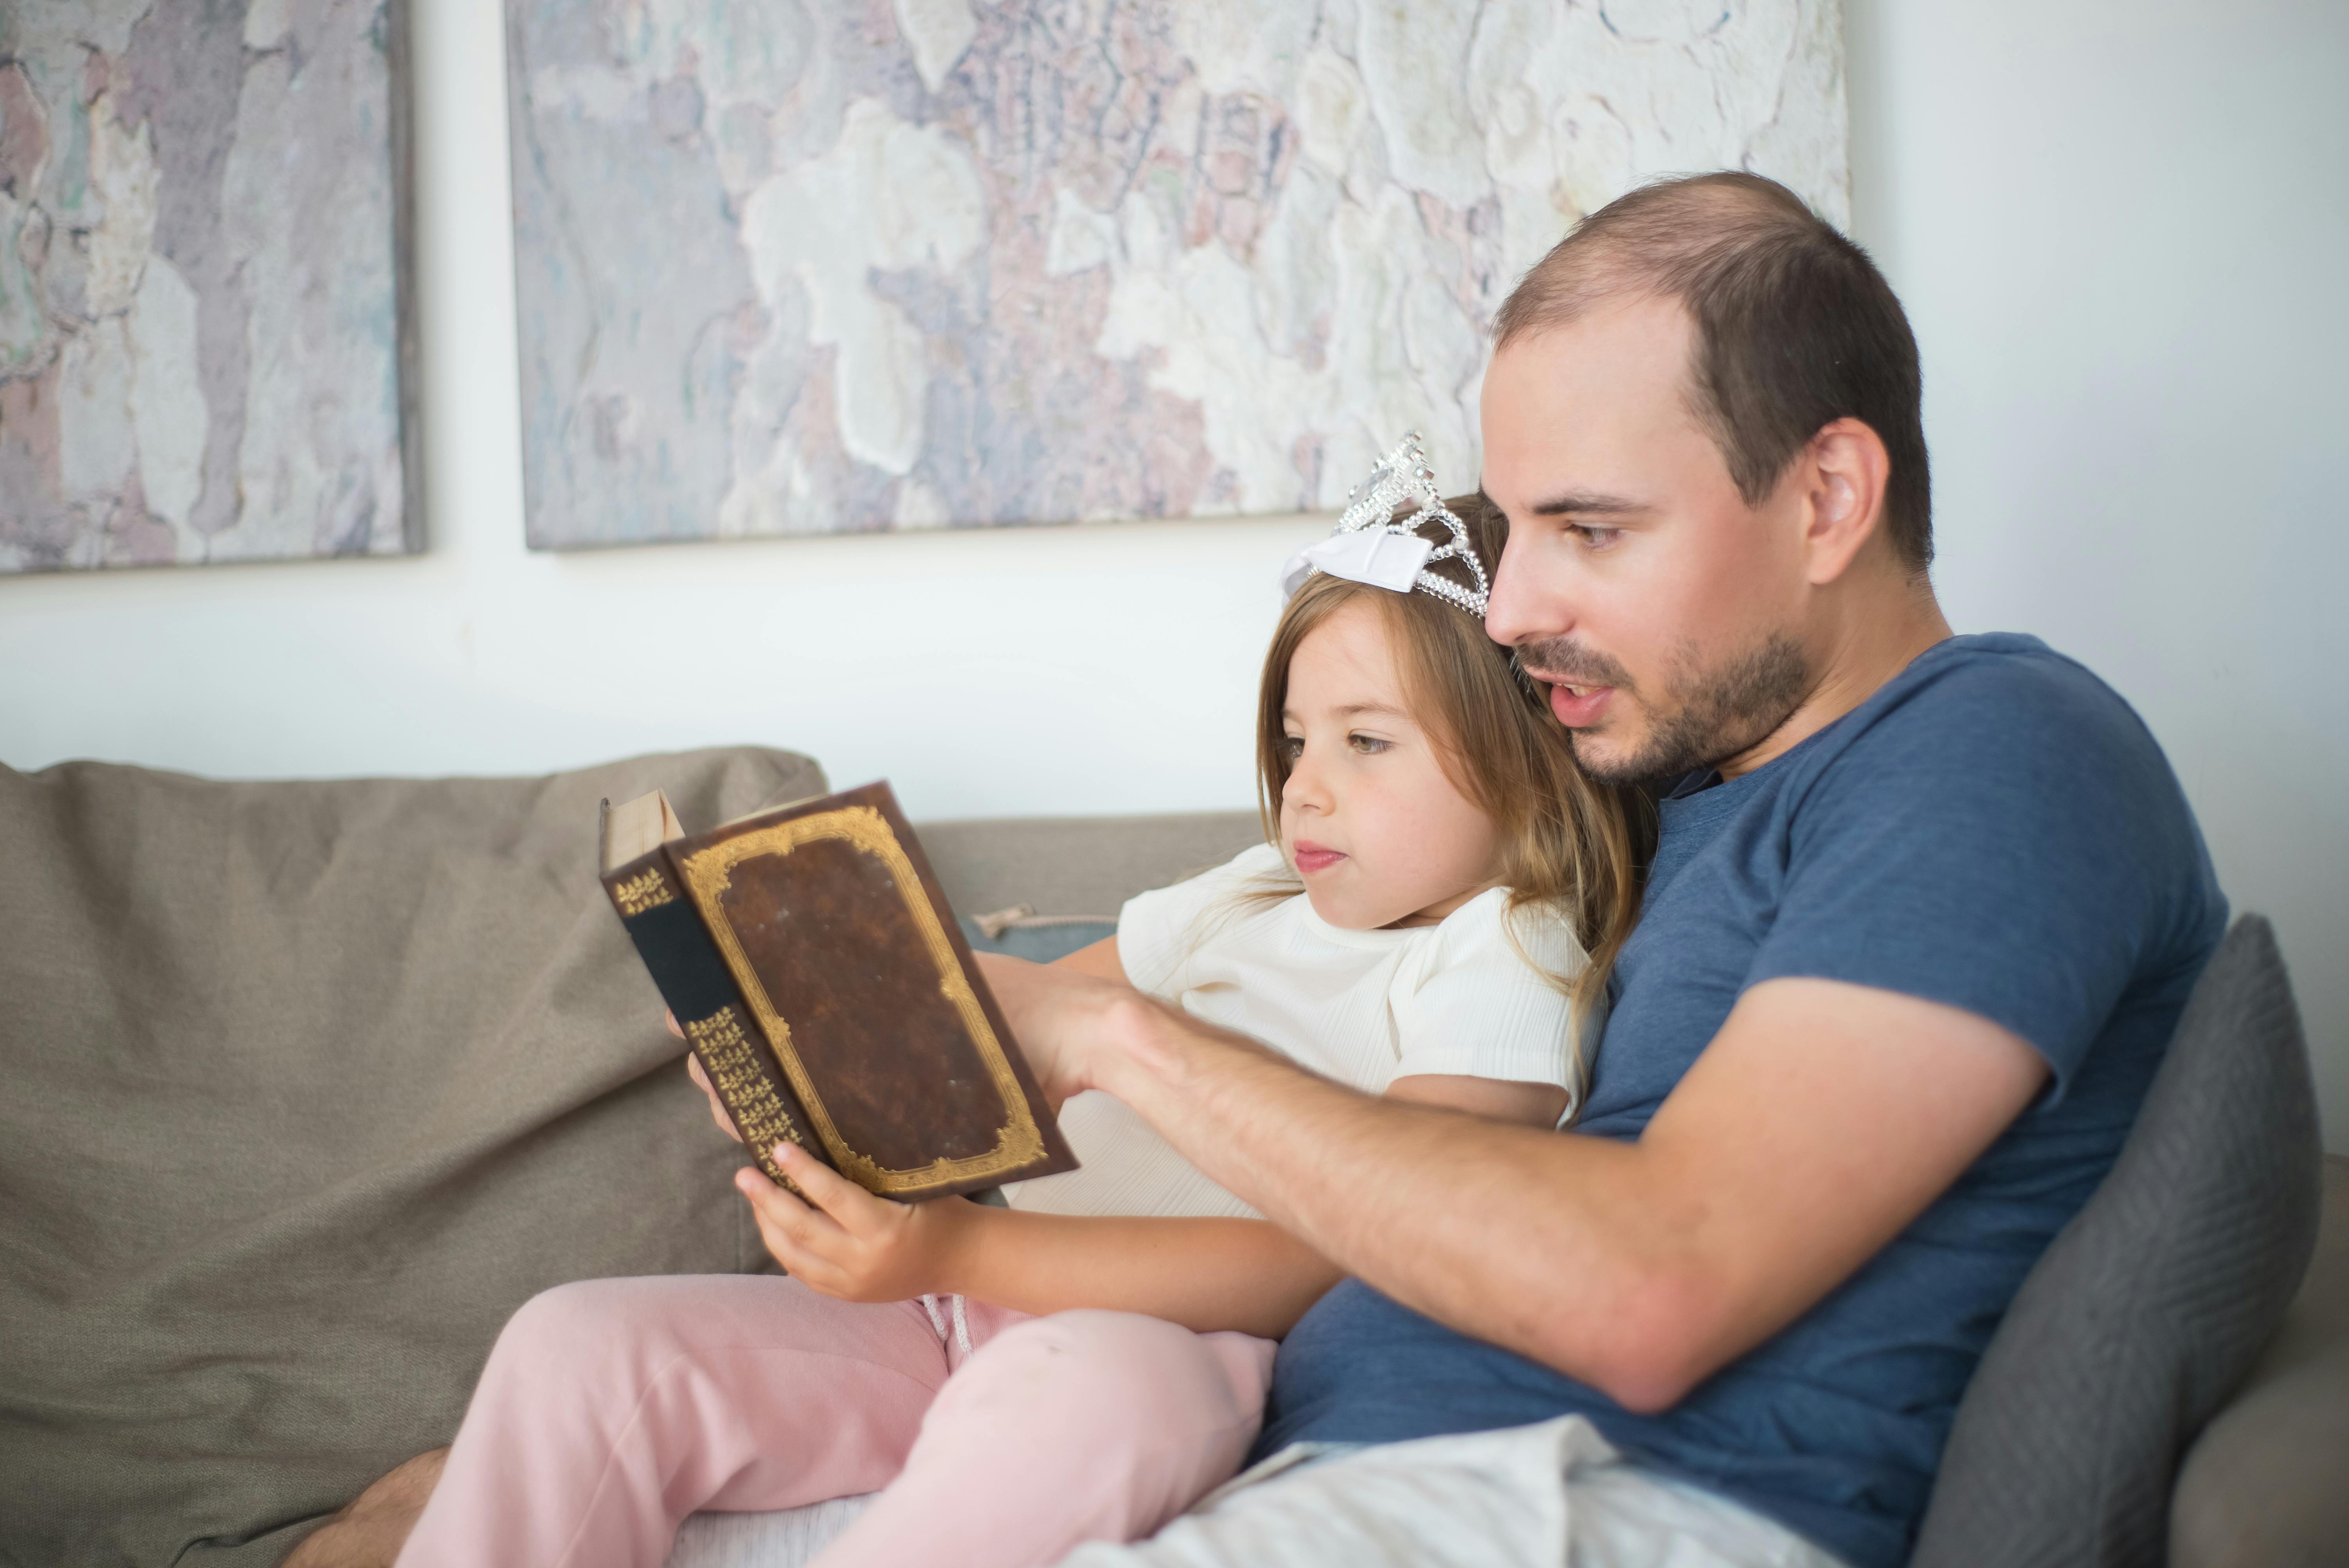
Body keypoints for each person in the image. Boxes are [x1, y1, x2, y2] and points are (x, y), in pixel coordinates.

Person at [977, 173, 2228, 1568]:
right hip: (1353, 1479)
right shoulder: (1652, 786)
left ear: (1826, 500)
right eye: (1513, 533)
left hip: (1589, 1505)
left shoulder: (1997, 752)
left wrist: (1118, 1041)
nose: (1510, 610)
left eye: (1591, 531)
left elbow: (1655, 1287)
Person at [295, 457, 1645, 1568]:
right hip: (939, 1310)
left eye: (1367, 742)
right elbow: (1009, 1031)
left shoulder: (1504, 946)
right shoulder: (1245, 894)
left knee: (1083, 1404)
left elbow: (1358, 1250)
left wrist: (949, 1257)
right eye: (1297, 739)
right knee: (575, 1343)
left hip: (1168, 1346)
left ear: (1529, 766)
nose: (1306, 790)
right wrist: (799, 1065)